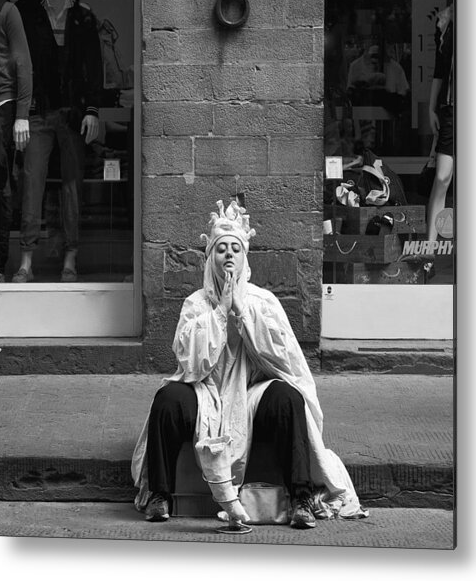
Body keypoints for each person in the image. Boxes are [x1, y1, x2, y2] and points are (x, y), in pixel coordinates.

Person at [132, 200, 366, 530]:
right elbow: (192, 362)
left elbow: (282, 357)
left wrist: (241, 311)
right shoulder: (196, 303)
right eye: (221, 249)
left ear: (245, 258)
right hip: (206, 391)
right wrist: (219, 311)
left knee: (288, 399)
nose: (228, 255)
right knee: (167, 400)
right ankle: (160, 495)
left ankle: (300, 498)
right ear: (210, 258)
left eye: (235, 250)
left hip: (253, 392)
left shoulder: (262, 300)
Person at [12, 0, 101, 283]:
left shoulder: (83, 18)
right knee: (31, 182)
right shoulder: (32, 16)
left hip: (73, 113)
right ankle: (26, 259)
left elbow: (93, 65)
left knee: (72, 185)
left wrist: (92, 110)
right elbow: (23, 66)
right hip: (39, 111)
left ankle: (70, 256)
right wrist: (22, 112)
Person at [0, 0, 32, 283]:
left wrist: (22, 114)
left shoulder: (7, 12)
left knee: (0, 185)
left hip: (2, 108)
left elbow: (23, 64)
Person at [424, 4, 454, 278]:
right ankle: (430, 249)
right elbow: (441, 68)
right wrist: (432, 107)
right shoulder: (449, 24)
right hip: (453, 109)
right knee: (443, 176)